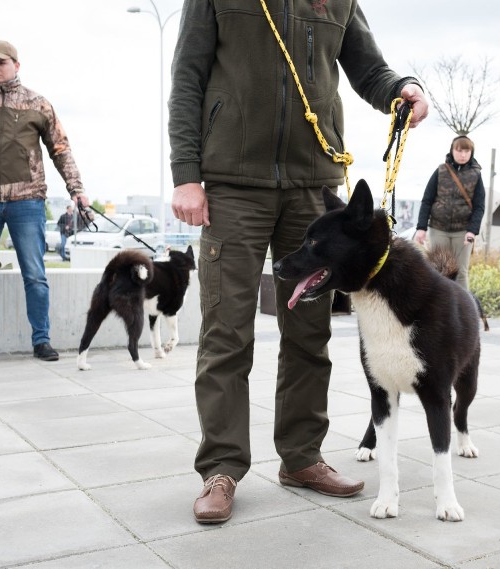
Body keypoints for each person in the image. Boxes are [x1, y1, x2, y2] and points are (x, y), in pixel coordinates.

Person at [169, 1, 429, 524]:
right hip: (232, 184)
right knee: (226, 333)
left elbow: (368, 68)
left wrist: (403, 88)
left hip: (314, 184)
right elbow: (188, 78)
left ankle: (302, 457)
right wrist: (186, 173)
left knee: (310, 333)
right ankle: (220, 468)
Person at [0, 40, 90, 363]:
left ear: (16, 65)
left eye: (1, 62)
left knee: (35, 274)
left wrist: (76, 189)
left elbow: (61, 150)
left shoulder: (38, 104)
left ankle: (41, 340)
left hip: (27, 201)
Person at [414, 135, 485, 289]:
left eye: (466, 151)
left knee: (461, 272)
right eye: (459, 150)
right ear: (452, 151)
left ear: (471, 153)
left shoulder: (476, 175)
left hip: (463, 232)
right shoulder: (441, 171)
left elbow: (479, 206)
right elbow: (427, 200)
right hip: (438, 229)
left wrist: (472, 231)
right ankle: (436, 310)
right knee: (438, 270)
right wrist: (421, 228)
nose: (462, 155)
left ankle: (464, 311)